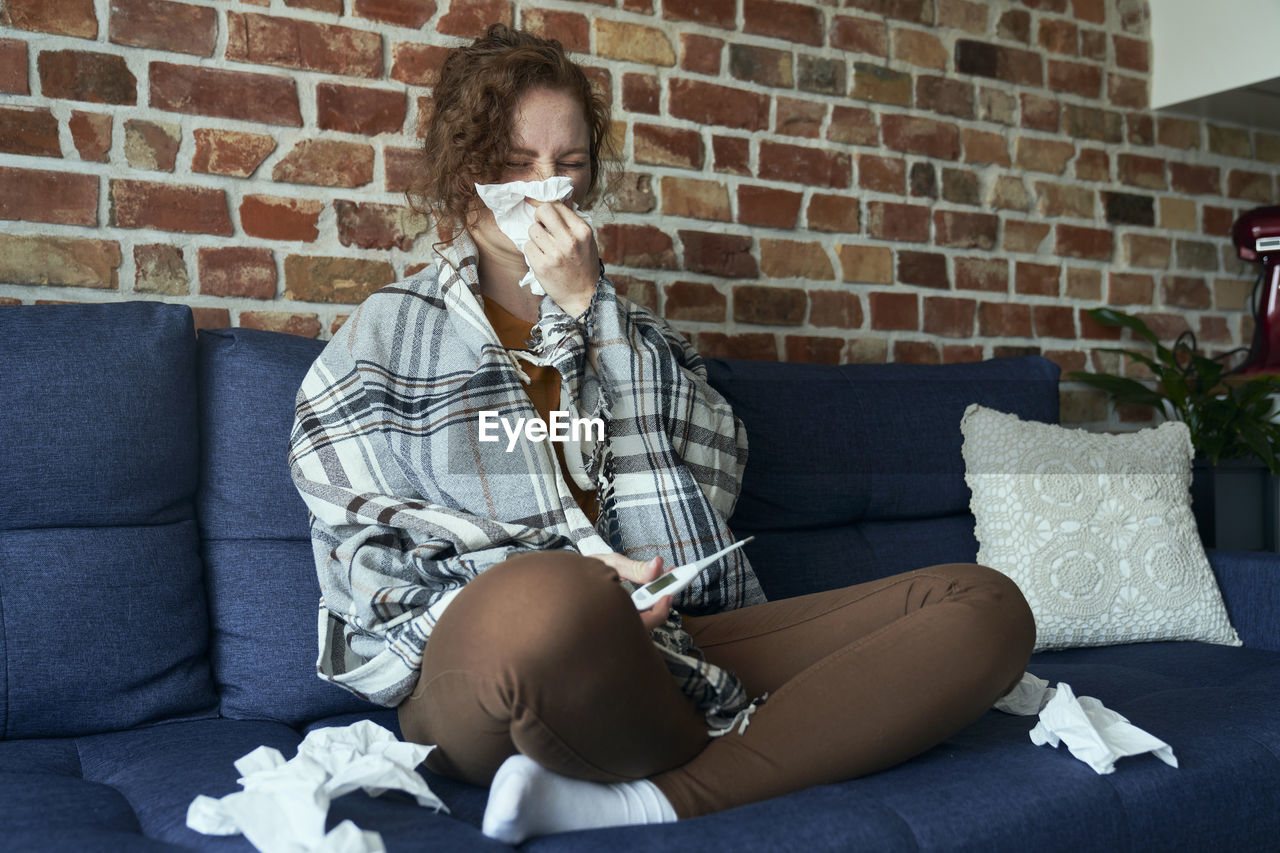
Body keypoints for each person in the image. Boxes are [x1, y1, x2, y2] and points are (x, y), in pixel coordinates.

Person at [288, 24, 1035, 845]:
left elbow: (709, 476)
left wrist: (592, 310)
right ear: (465, 172)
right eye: (515, 163)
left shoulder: (628, 329)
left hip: (671, 640)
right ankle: (703, 724)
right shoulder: (386, 335)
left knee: (986, 605)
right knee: (555, 599)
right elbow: (361, 542)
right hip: (485, 656)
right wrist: (583, 582)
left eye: (569, 165)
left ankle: (654, 799)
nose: (546, 188)